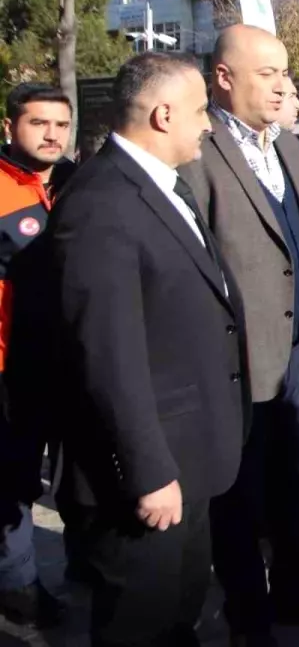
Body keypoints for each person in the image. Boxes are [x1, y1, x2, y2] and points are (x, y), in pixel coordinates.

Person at [47, 52, 248, 647]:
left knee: (179, 613)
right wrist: (149, 471)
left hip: (189, 457)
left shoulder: (164, 187)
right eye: (199, 112)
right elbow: (106, 355)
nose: (209, 124)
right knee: (139, 622)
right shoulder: (102, 202)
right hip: (149, 475)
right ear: (163, 115)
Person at [179, 24, 299, 645]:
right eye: (267, 74)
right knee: (239, 495)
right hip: (238, 360)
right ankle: (248, 616)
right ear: (224, 78)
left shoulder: (284, 146)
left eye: (284, 72)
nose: (282, 86)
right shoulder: (196, 152)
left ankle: (294, 588)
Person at [0, 83, 74, 627]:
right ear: (10, 128)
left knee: (78, 479)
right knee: (15, 483)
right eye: (38, 123)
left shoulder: (78, 183)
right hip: (11, 369)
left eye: (61, 124)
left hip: (72, 362)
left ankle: (91, 569)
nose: (52, 135)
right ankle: (19, 587)